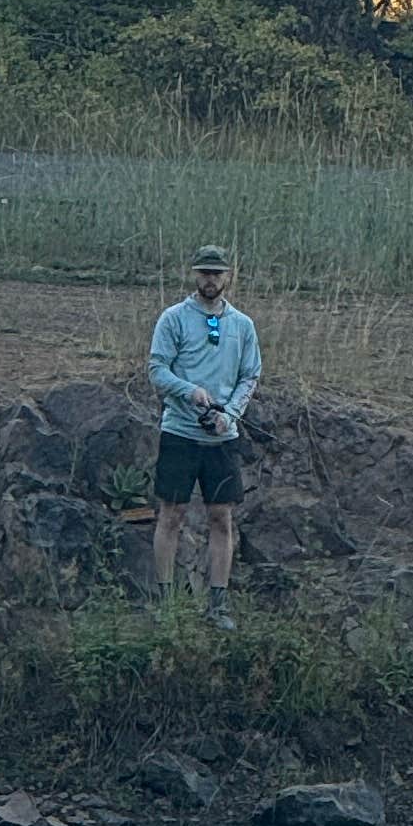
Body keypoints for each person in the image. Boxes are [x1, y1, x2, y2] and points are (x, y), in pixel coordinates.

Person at [147, 244, 260, 619]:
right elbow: (157, 369)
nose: (210, 280)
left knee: (220, 517)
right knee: (172, 513)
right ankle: (165, 603)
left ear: (228, 276)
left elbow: (250, 375)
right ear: (194, 275)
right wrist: (189, 391)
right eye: (204, 272)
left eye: (216, 273)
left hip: (222, 439)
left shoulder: (242, 325)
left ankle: (218, 604)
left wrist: (229, 415)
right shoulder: (173, 318)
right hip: (180, 431)